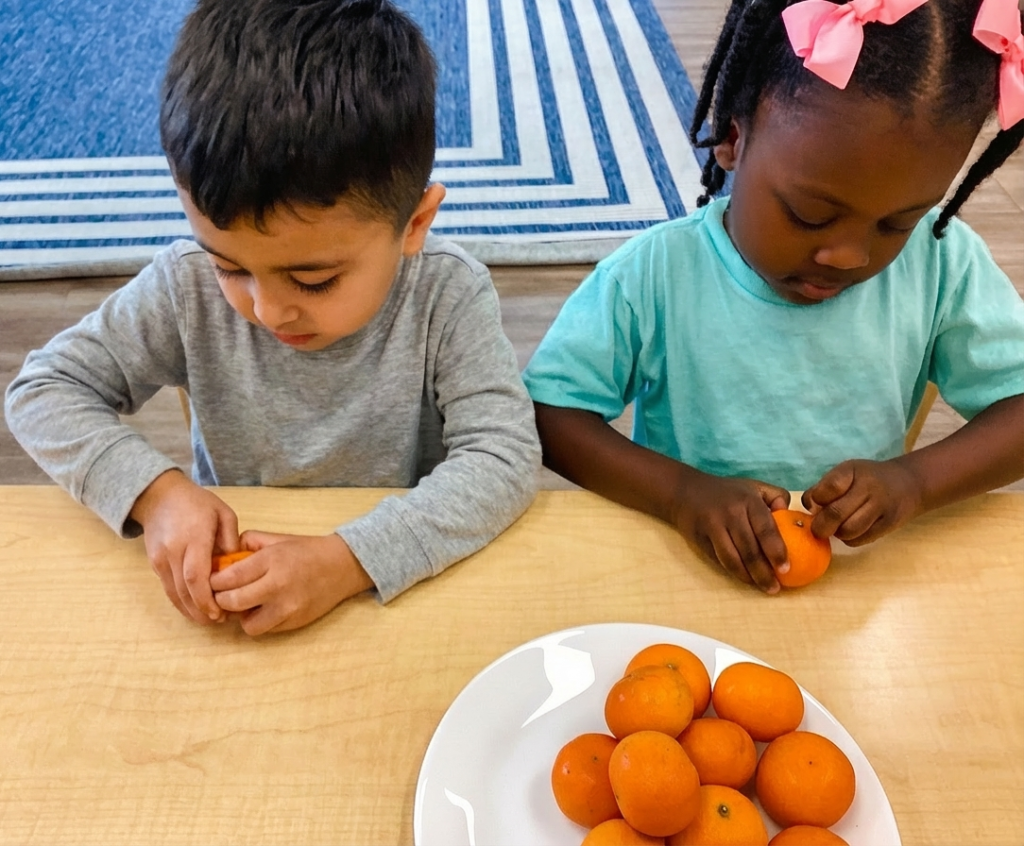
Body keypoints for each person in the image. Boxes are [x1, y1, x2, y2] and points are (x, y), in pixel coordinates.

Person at [4, 0, 541, 635]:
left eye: (314, 279)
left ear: (414, 225)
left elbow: (503, 456)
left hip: (391, 597)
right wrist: (158, 493)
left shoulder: (447, 294)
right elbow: (43, 390)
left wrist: (349, 561)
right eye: (228, 266)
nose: (265, 308)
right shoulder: (184, 287)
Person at [522, 0, 1024, 594]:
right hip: (682, 572)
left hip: (852, 588)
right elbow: (548, 414)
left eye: (898, 224)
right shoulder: (657, 273)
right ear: (732, 139)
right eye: (810, 215)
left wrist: (913, 483)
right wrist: (682, 495)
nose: (850, 256)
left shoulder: (942, 263)